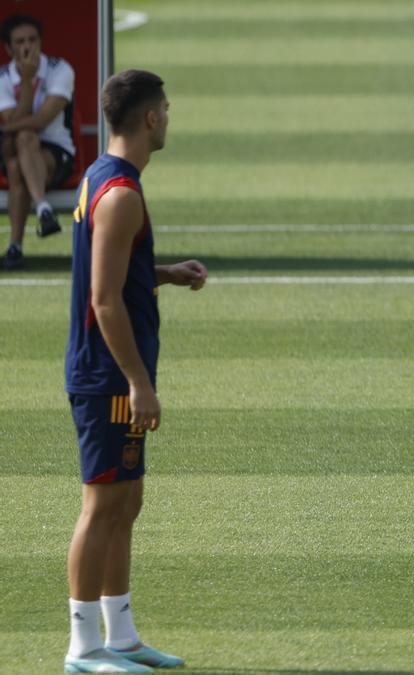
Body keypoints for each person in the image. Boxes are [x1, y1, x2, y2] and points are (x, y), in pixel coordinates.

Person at [63, 69, 206, 672]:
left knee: (128, 501)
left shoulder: (104, 176)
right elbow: (103, 299)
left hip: (114, 374)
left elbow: (117, 272)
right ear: (149, 119)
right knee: (101, 505)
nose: (169, 118)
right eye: (166, 110)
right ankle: (82, 647)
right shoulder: (121, 194)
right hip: (108, 379)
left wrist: (165, 273)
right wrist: (139, 384)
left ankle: (120, 635)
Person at [0, 13, 75, 270]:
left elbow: (42, 120)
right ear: (8, 48)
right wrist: (28, 82)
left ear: (41, 41)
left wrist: (6, 128)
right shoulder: (2, 78)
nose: (27, 46)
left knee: (17, 161)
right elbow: (19, 121)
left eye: (32, 39)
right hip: (15, 148)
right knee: (22, 139)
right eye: (19, 42)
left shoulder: (60, 69)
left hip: (57, 151)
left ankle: (15, 246)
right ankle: (43, 209)